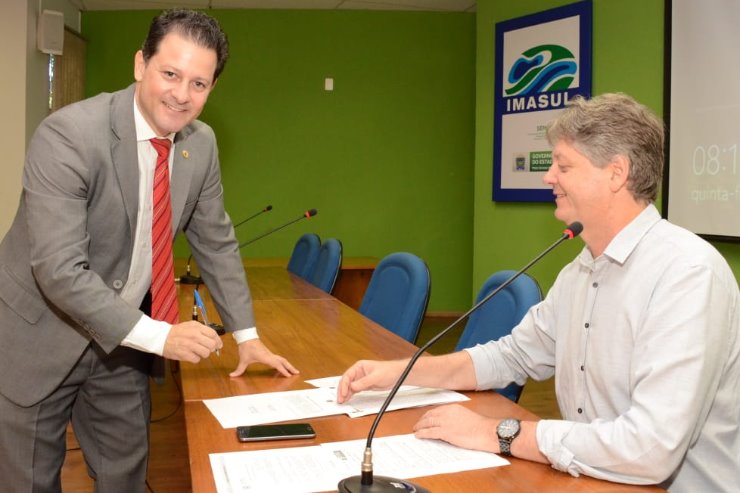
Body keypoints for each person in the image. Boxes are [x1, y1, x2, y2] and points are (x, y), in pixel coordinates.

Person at [337, 93, 739, 492]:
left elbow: (650, 449)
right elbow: (511, 356)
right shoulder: (579, 271)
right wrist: (401, 373)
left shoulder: (687, 275)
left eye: (563, 166)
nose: (548, 177)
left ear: (617, 173)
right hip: (589, 478)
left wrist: (503, 434)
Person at [0, 9, 298, 493]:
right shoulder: (68, 135)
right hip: (39, 334)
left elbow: (215, 240)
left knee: (127, 480)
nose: (182, 94)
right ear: (141, 65)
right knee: (28, 484)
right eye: (171, 74)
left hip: (120, 345)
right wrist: (161, 338)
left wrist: (247, 335)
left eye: (199, 84)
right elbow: (58, 269)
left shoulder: (199, 145)